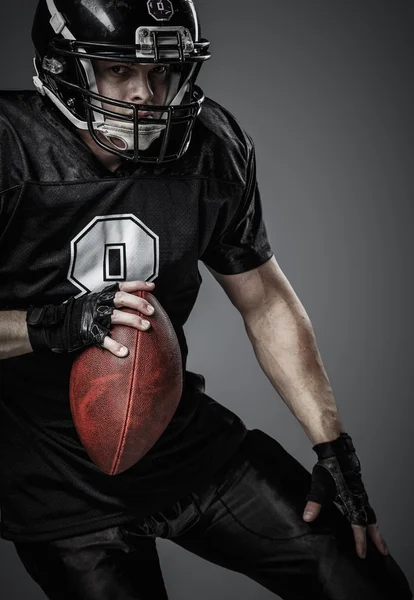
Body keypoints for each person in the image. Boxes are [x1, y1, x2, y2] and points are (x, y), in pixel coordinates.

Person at [0, 1, 411, 599]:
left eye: (162, 71)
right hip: (54, 478)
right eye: (120, 69)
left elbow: (265, 300)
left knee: (367, 584)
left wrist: (334, 446)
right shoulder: (10, 148)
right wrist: (49, 326)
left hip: (176, 438)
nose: (145, 93)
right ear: (66, 67)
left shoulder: (210, 144)